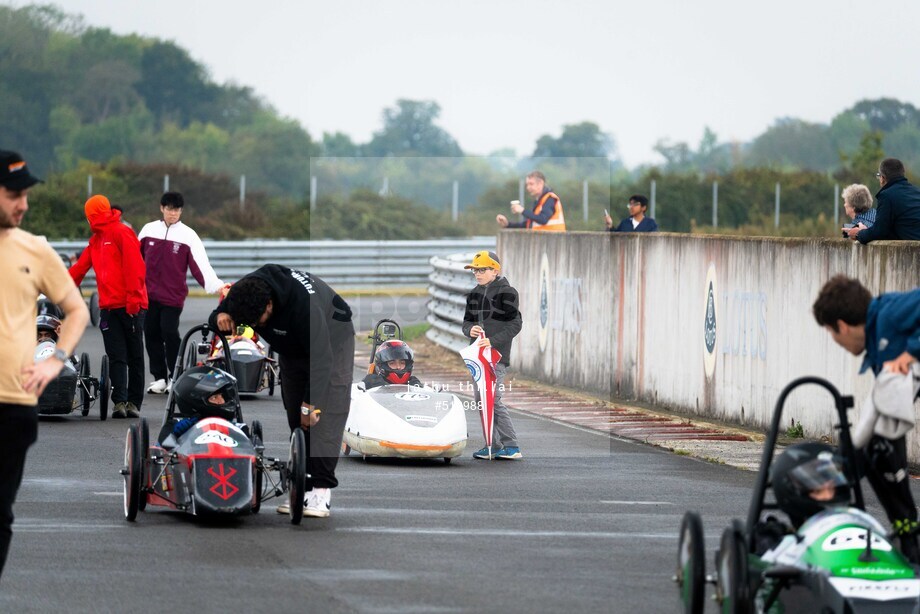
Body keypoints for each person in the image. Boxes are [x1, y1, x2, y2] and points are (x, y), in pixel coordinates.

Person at [0, 149, 89, 578]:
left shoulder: (35, 249)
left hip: (14, 408)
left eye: (26, 194)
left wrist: (55, 359)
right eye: (14, 193)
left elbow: (76, 311)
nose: (24, 204)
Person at [208, 264, 354, 518]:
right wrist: (219, 315)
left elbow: (321, 360)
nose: (255, 327)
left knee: (322, 415)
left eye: (258, 322)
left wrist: (312, 405)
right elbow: (220, 316)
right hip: (292, 347)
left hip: (331, 340)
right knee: (296, 416)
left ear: (269, 306)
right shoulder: (245, 292)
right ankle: (302, 485)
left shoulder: (304, 308)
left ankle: (320, 490)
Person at [812, 275, 920, 561]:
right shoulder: (876, 342)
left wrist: (912, 352)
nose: (836, 342)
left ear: (843, 326)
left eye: (831, 334)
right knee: (876, 450)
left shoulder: (889, 313)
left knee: (877, 446)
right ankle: (908, 534)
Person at [138, 192, 226, 395]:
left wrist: (217, 285)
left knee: (169, 332)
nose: (173, 213)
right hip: (147, 295)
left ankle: (174, 376)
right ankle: (159, 377)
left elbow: (201, 266)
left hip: (173, 297)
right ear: (162, 208)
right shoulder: (148, 230)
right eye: (169, 209)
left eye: (177, 210)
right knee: (151, 334)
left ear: (181, 211)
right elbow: (134, 260)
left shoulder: (188, 235)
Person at [70, 194, 148, 419]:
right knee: (116, 356)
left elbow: (135, 268)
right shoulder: (95, 241)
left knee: (134, 356)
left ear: (93, 216)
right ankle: (119, 402)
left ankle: (133, 402)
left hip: (132, 306)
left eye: (88, 217)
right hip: (108, 308)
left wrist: (134, 300)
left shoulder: (122, 233)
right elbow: (79, 269)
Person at [461, 251, 523, 460]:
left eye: (482, 270)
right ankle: (493, 445)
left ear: (495, 271)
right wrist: (470, 330)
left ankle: (511, 445)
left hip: (496, 356)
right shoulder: (474, 294)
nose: (478, 274)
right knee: (481, 399)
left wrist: (493, 341)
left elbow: (516, 324)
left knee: (494, 399)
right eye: (475, 270)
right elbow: (466, 323)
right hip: (477, 356)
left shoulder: (508, 292)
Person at [771, 442, 851, 529]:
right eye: (818, 491)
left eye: (832, 488)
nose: (828, 496)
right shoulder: (784, 541)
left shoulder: (857, 529)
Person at [846, 158, 920, 242]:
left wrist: (859, 233)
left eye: (879, 176)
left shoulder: (887, 195)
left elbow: (879, 231)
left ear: (882, 178)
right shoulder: (917, 192)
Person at [496, 171, 566, 231]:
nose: (528, 187)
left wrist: (522, 211)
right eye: (527, 185)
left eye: (531, 184)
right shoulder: (539, 201)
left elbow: (543, 219)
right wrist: (508, 224)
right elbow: (529, 224)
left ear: (540, 183)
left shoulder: (550, 198)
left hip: (553, 242)